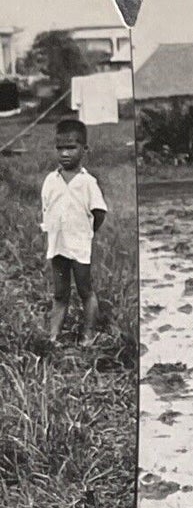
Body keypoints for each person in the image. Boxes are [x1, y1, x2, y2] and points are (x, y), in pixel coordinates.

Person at [40, 117, 107, 347]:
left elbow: (99, 212)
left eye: (71, 147)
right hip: (58, 246)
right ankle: (53, 336)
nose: (64, 153)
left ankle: (87, 335)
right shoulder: (51, 180)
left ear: (84, 149)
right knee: (60, 294)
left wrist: (87, 233)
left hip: (79, 247)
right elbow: (47, 209)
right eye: (60, 148)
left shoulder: (88, 182)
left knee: (85, 290)